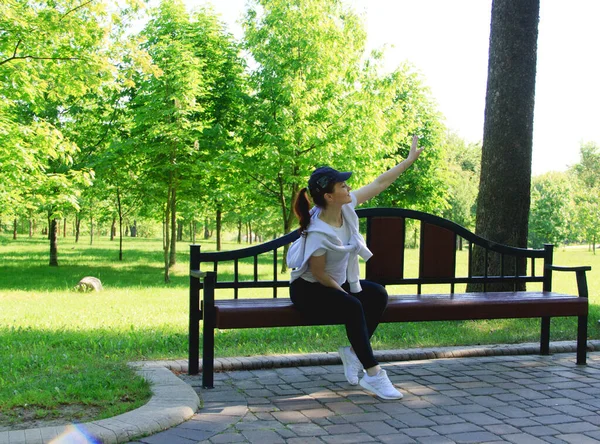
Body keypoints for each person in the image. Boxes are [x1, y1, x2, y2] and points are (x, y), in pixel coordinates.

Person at [287, 135, 424, 400]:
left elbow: (379, 183)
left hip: (331, 283)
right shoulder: (318, 232)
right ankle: (374, 375)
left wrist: (407, 162)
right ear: (329, 195)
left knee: (377, 294)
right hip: (309, 289)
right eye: (342, 185)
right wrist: (346, 294)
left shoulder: (346, 209)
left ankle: (352, 352)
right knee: (353, 305)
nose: (348, 187)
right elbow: (318, 274)